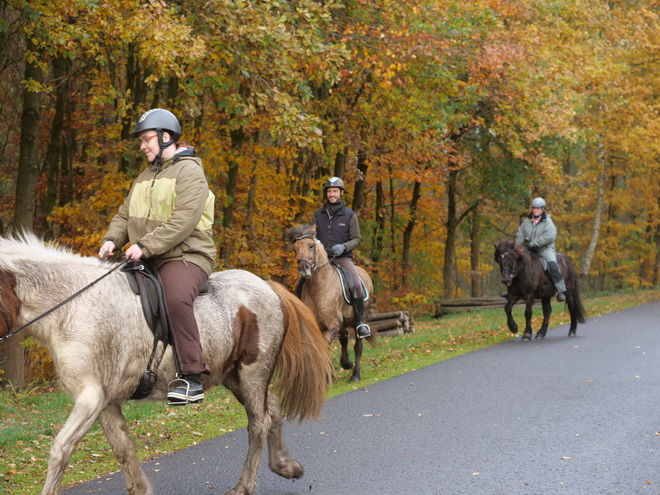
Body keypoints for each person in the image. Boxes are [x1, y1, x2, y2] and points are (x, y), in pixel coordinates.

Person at [98, 108, 216, 405]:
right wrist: (112, 239)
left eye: (146, 139)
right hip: (147, 255)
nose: (142, 145)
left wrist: (145, 246)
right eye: (140, 140)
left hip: (185, 256)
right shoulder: (144, 176)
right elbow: (125, 215)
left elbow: (183, 221)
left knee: (175, 298)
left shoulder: (190, 171)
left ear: (166, 137)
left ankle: (192, 377)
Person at [311, 176, 371, 338]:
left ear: (341, 193)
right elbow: (312, 236)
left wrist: (343, 247)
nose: (332, 194)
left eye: (335, 191)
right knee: (301, 283)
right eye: (329, 191)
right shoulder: (317, 215)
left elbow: (357, 239)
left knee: (356, 283)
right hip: (321, 261)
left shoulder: (349, 215)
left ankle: (360, 322)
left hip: (342, 258)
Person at [515, 197, 566, 302]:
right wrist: (517, 246)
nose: (535, 210)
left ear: (542, 209)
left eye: (537, 208)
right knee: (515, 262)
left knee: (553, 265)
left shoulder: (548, 221)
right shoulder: (527, 221)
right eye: (533, 208)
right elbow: (520, 233)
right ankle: (512, 290)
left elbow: (549, 236)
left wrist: (533, 244)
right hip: (529, 249)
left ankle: (561, 291)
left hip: (545, 249)